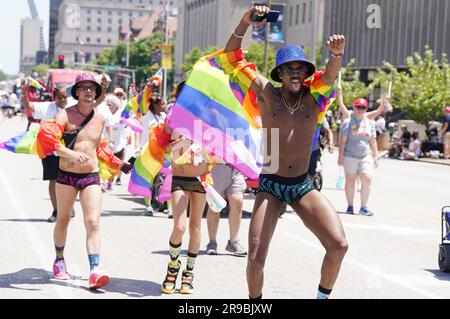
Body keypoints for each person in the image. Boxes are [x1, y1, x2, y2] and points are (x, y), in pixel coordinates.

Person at [223, 6, 348, 299]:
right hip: (270, 185)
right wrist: (244, 22)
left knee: (339, 245)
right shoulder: (266, 93)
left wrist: (336, 55)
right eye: (289, 68)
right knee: (255, 257)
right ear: (279, 73)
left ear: (306, 74)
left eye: (300, 69)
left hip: (302, 185)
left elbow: (329, 76)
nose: (295, 73)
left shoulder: (315, 97)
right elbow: (231, 58)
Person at [40, 73, 131, 289]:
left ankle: (95, 270)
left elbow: (96, 148)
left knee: (93, 222)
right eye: (84, 88)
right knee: (63, 219)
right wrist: (69, 154)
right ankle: (60, 259)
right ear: (77, 92)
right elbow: (48, 140)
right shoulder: (65, 115)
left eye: (93, 88)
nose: (89, 91)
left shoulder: (100, 118)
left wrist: (119, 163)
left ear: (96, 93)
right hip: (66, 177)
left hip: (90, 176)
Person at [160, 82, 213, 295]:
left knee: (195, 227)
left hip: (200, 178)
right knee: (179, 227)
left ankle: (188, 274)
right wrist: (178, 144)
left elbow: (217, 152)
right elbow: (161, 146)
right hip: (179, 178)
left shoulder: (209, 119)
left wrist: (205, 149)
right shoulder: (172, 118)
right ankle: (173, 267)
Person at [21, 83, 79, 222]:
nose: (63, 100)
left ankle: (68, 207)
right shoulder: (47, 107)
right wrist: (24, 92)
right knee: (53, 180)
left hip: (68, 149)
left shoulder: (72, 107)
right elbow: (29, 106)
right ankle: (56, 211)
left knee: (69, 180)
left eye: (65, 97)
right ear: (55, 97)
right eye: (60, 97)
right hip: (50, 149)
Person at [338, 98, 379, 216]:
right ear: (354, 108)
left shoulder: (370, 123)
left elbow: (373, 141)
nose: (360, 110)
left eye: (363, 108)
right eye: (358, 107)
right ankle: (350, 206)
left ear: (366, 109)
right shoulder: (348, 122)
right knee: (350, 180)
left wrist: (375, 156)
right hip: (350, 155)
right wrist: (340, 156)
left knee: (367, 178)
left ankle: (364, 207)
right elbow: (342, 141)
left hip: (365, 156)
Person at [205, 162, 248, 256]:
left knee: (237, 200)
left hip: (236, 167)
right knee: (215, 205)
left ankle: (234, 242)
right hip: (216, 166)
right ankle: (212, 242)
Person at [103, 94, 127, 190]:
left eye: (110, 104)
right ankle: (105, 182)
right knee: (105, 164)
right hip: (107, 144)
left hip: (119, 145)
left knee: (114, 166)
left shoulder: (121, 114)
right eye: (107, 104)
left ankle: (110, 181)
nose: (108, 106)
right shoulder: (105, 114)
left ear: (116, 105)